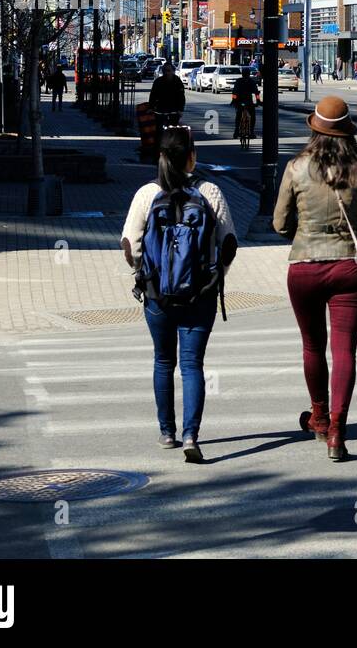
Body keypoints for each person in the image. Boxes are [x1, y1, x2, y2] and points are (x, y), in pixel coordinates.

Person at [273, 96, 357, 462]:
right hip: (349, 268)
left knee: (312, 346)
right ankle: (338, 430)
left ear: (314, 130)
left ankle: (318, 417)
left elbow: (279, 223)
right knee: (345, 349)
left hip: (304, 266)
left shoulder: (296, 167)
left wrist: (303, 236)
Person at [121, 126, 237, 463]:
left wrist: (143, 277)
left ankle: (166, 432)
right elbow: (228, 243)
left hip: (157, 297)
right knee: (192, 365)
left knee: (163, 361)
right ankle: (191, 435)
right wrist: (214, 278)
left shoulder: (146, 194)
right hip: (199, 296)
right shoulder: (210, 191)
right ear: (191, 157)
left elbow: (130, 246)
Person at [149, 63, 185, 133]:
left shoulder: (177, 81)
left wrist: (181, 109)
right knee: (159, 130)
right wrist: (151, 107)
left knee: (173, 130)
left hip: (174, 110)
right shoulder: (158, 81)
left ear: (173, 71)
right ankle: (159, 142)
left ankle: (173, 142)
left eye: (169, 70)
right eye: (165, 71)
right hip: (160, 110)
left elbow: (181, 96)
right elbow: (153, 95)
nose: (167, 73)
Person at [231, 68, 261, 148]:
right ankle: (251, 131)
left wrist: (233, 101)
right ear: (248, 74)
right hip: (247, 101)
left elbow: (234, 92)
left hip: (240, 101)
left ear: (242, 74)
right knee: (252, 116)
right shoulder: (251, 81)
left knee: (239, 114)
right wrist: (258, 101)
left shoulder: (239, 81)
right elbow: (256, 93)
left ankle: (237, 130)